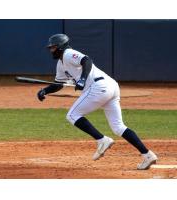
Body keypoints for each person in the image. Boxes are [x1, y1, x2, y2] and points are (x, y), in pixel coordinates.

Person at [37, 33, 158, 170]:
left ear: (60, 47)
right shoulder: (61, 64)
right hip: (110, 87)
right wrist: (45, 91)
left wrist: (82, 79)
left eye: (53, 47)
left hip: (99, 87)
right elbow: (59, 84)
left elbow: (86, 60)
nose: (51, 50)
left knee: (72, 115)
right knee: (118, 127)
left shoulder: (68, 53)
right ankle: (148, 155)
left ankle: (102, 140)